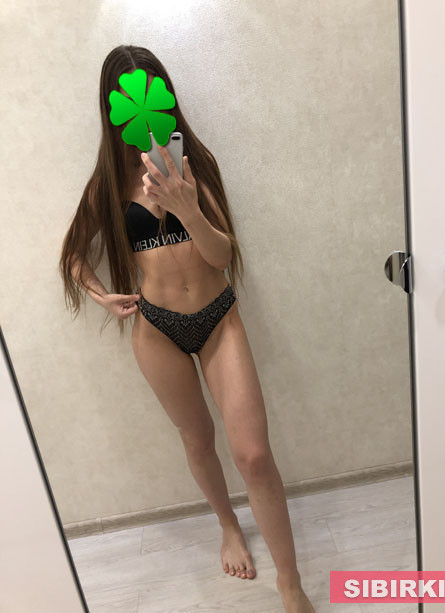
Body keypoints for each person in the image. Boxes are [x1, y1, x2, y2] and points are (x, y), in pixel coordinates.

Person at [59, 44, 315, 613]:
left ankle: (290, 582)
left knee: (253, 455)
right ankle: (228, 525)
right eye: (129, 101)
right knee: (197, 440)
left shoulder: (194, 161)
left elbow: (222, 256)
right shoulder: (107, 183)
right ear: (113, 109)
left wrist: (186, 205)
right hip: (157, 331)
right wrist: (102, 297)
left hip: (218, 318)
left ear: (166, 96)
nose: (144, 109)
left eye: (153, 94)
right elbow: (74, 254)